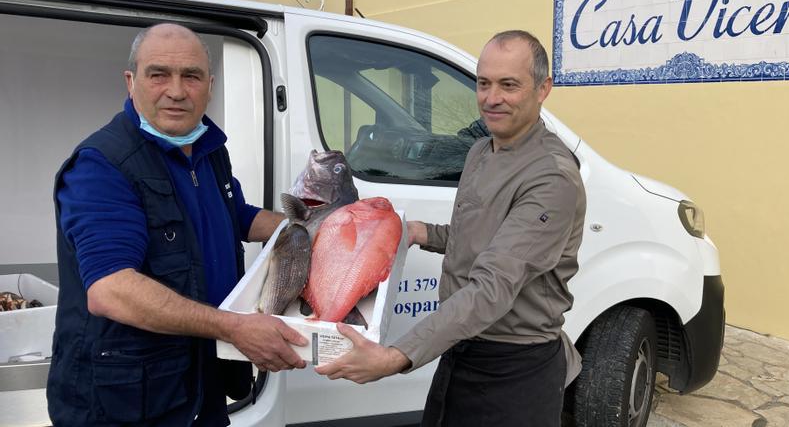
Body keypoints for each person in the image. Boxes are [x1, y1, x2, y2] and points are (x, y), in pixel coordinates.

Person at [316, 30, 587, 426]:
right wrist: (419, 232)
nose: (492, 98)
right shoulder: (481, 150)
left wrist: (395, 356)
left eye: (509, 85)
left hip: (514, 369)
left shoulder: (552, 179)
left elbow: (492, 287)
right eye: (483, 83)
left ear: (543, 88)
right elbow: (476, 235)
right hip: (462, 351)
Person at [48, 23, 308, 426]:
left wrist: (310, 230)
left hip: (198, 384)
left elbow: (234, 214)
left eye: (191, 75)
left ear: (210, 84)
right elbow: (111, 290)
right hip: (128, 401)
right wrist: (235, 327)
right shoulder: (103, 165)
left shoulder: (206, 149)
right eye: (159, 75)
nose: (176, 90)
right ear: (131, 81)